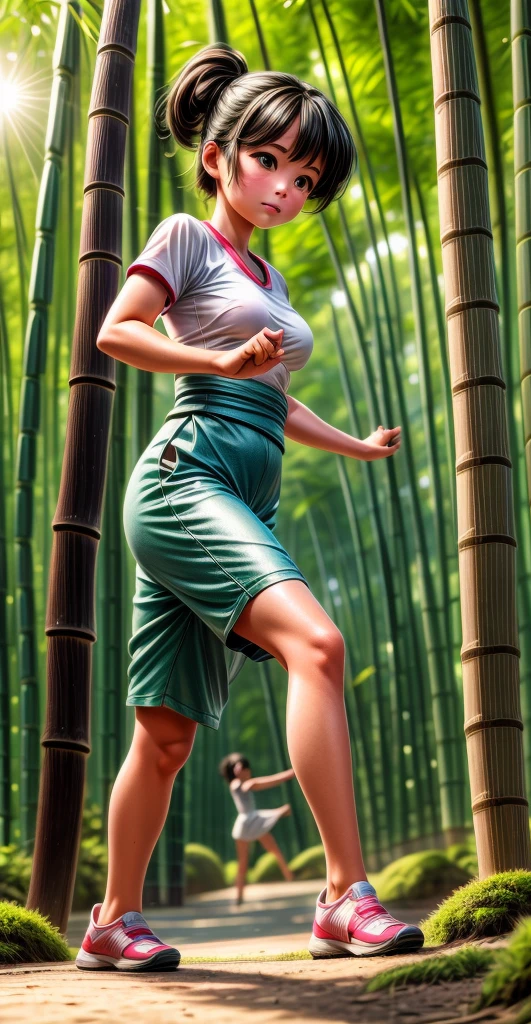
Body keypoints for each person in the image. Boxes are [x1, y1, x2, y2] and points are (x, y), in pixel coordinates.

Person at [76, 41, 423, 973]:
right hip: (185, 481)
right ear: (218, 155)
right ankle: (346, 897)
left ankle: (110, 920)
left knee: (165, 735)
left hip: (237, 489)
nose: (283, 187)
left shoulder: (268, 280)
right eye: (267, 159)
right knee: (318, 644)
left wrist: (354, 444)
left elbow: (274, 398)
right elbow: (119, 329)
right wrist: (220, 361)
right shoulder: (185, 238)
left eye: (304, 176)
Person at [219, 752, 295, 906]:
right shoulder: (238, 784)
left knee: (272, 846)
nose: (245, 771)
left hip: (254, 821)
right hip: (248, 822)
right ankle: (239, 896)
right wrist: (290, 774)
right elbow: (267, 782)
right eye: (241, 768)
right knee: (243, 863)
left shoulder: (245, 784)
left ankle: (288, 874)